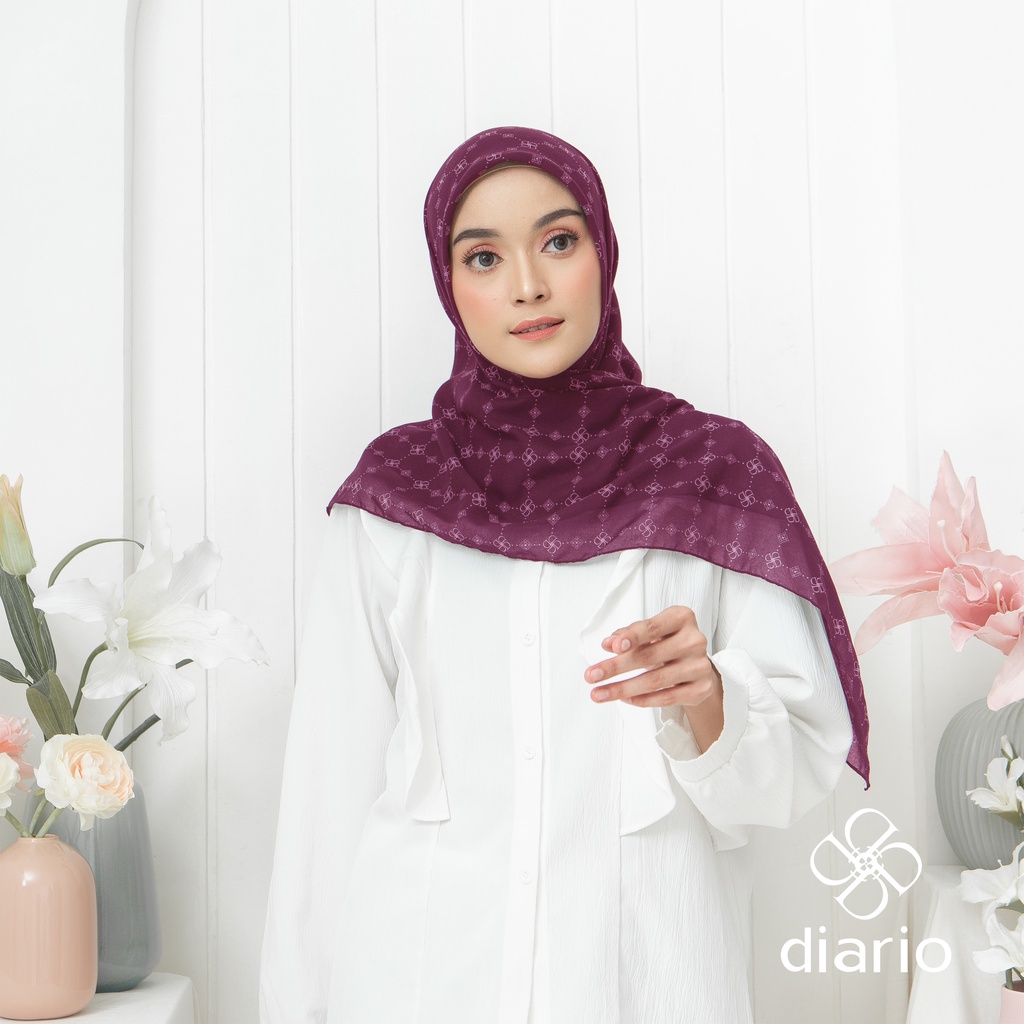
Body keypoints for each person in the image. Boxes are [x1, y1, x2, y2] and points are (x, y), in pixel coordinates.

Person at [259, 126, 869, 1024]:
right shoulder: (397, 491)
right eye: (484, 257)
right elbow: (328, 791)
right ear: (448, 283)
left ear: (602, 252)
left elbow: (791, 779)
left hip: (647, 987)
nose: (528, 285)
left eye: (557, 241)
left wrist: (709, 699)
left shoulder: (712, 473)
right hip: (416, 983)